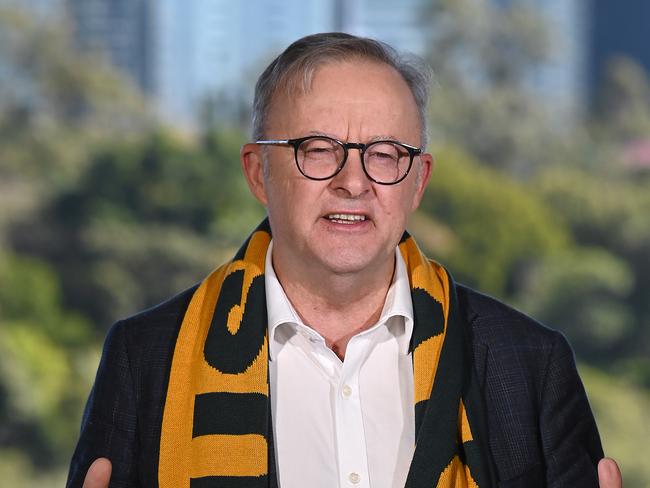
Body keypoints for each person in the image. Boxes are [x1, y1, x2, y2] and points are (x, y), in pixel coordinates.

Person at [67, 33, 623, 488]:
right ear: (258, 171)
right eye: (318, 149)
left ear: (418, 181)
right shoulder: (146, 358)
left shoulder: (528, 363)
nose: (352, 182)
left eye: (384, 154)